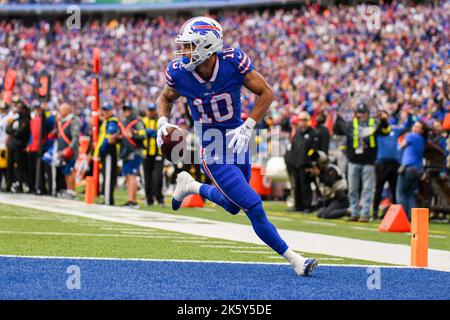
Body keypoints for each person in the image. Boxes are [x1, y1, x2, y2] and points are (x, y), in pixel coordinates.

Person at [156, 17, 317, 276]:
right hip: (212, 147)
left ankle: (191, 186)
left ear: (207, 46)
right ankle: (295, 259)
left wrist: (249, 125)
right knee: (253, 205)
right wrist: (163, 122)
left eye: (189, 46)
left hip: (237, 139)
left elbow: (267, 93)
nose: (183, 52)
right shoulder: (179, 72)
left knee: (233, 206)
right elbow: (165, 97)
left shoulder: (233, 62)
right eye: (183, 46)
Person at [334, 103, 390, 222]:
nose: (361, 115)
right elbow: (338, 130)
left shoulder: (373, 124)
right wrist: (338, 118)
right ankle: (354, 212)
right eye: (359, 113)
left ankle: (365, 214)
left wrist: (384, 120)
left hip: (368, 161)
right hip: (353, 160)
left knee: (367, 189)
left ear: (367, 114)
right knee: (353, 188)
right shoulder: (350, 124)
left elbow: (386, 132)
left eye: (363, 113)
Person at [284, 111, 319, 213]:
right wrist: (291, 162)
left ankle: (307, 206)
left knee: (306, 187)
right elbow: (293, 148)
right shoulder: (297, 133)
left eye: (305, 120)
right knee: (297, 186)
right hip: (295, 164)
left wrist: (311, 163)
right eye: (301, 120)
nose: (302, 122)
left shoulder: (313, 133)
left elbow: (314, 150)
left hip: (306, 165)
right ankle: (298, 206)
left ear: (309, 121)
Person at [396, 121, 428, 220]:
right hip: (418, 169)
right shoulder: (422, 139)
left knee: (401, 193)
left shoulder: (411, 136)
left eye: (417, 127)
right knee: (410, 194)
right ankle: (412, 218)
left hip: (408, 167)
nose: (414, 128)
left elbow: (400, 146)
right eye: (414, 126)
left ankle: (403, 217)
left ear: (422, 130)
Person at [118, 102, 146, 208]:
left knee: (132, 175)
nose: (126, 112)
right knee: (128, 176)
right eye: (125, 110)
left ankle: (133, 201)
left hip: (134, 151)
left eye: (128, 110)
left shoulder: (137, 122)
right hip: (126, 152)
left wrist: (133, 135)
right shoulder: (124, 122)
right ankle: (130, 200)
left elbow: (143, 135)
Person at [94, 102, 120, 206]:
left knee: (108, 176)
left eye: (106, 110)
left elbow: (110, 138)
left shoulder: (112, 122)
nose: (104, 112)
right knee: (106, 175)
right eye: (103, 110)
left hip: (109, 152)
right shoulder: (107, 121)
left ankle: (108, 200)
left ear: (111, 111)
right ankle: (107, 198)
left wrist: (103, 150)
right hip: (106, 152)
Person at [6, 96, 31, 193]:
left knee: (20, 167)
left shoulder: (26, 120)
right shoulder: (16, 119)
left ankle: (20, 185)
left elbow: (19, 133)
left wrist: (14, 131)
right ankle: (9, 184)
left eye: (20, 108)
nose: (18, 110)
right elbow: (8, 129)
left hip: (20, 147)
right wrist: (14, 131)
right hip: (12, 146)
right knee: (9, 166)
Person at [55, 102, 80, 200]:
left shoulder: (73, 121)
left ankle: (71, 191)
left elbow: (75, 137)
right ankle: (69, 190)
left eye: (61, 110)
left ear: (67, 110)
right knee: (65, 171)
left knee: (69, 171)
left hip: (70, 152)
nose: (59, 112)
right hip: (63, 151)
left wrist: (69, 148)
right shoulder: (62, 121)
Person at [142, 103, 164, 206]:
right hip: (146, 154)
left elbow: (163, 133)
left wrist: (152, 133)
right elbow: (139, 133)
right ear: (147, 111)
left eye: (153, 110)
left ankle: (159, 198)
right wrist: (146, 132)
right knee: (147, 178)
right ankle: (149, 199)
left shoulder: (160, 121)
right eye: (149, 110)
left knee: (158, 177)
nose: (151, 112)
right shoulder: (143, 121)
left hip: (158, 153)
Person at [0, 101, 13, 191]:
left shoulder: (9, 118)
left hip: (4, 144)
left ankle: (8, 185)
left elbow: (10, 131)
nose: (2, 110)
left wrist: (7, 141)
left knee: (4, 166)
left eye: (3, 108)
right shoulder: (1, 117)